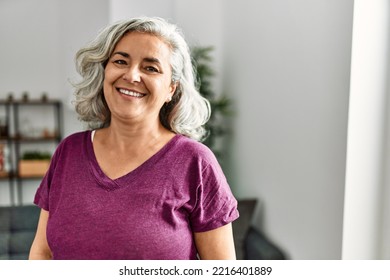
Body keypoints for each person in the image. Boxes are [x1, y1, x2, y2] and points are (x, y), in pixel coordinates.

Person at [29, 16, 239, 260]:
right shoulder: (69, 151)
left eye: (151, 68)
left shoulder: (196, 162)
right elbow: (42, 252)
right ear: (104, 71)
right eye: (120, 61)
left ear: (171, 88)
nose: (132, 75)